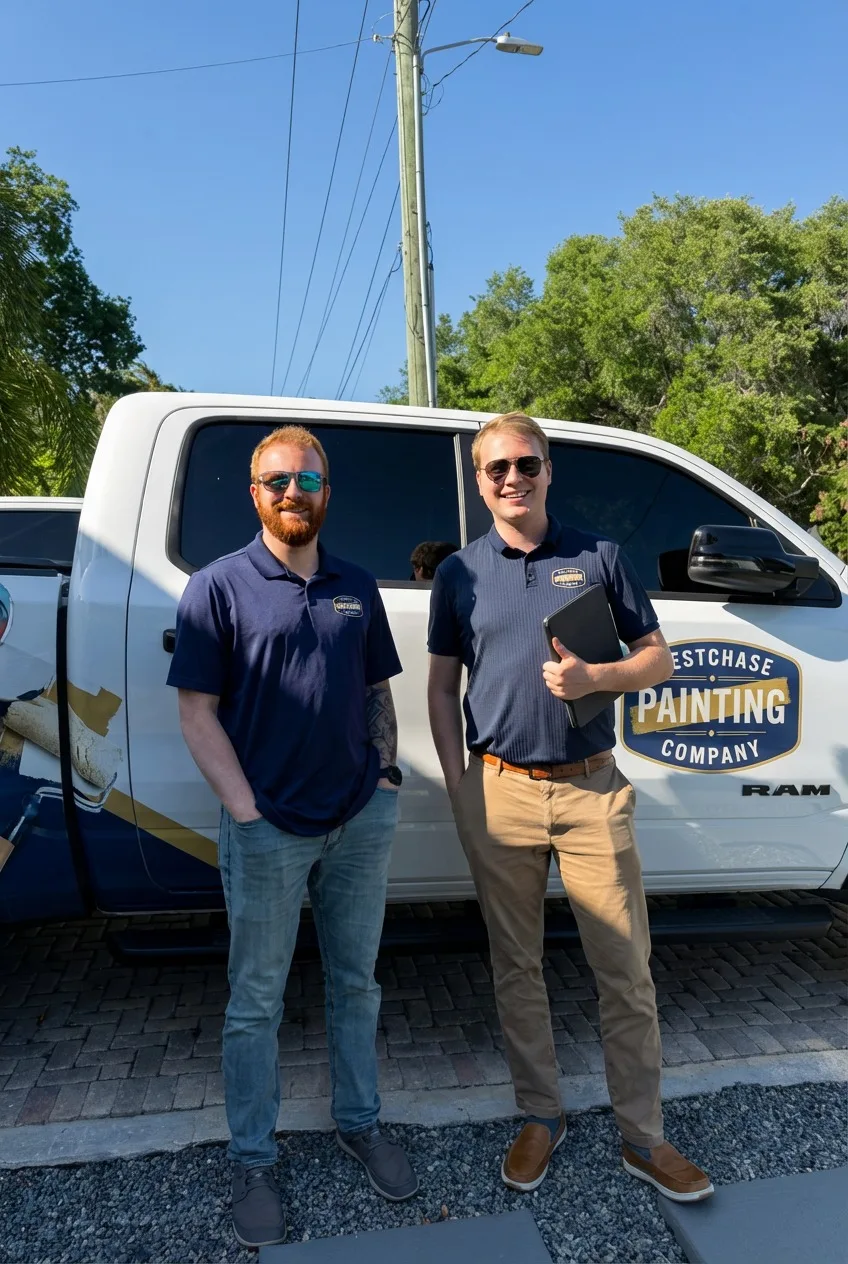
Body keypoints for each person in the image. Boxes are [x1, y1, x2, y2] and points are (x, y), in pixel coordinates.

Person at [427, 412, 713, 1203]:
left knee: (623, 970)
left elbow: (656, 660)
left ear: (549, 470)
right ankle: (539, 1117)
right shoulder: (460, 574)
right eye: (496, 469)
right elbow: (440, 687)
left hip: (591, 787)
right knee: (515, 966)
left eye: (526, 463)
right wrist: (459, 783)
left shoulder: (600, 557)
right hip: (499, 792)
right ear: (479, 482)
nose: (512, 478)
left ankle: (643, 1136)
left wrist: (597, 679)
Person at [167, 425, 418, 1250]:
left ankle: (360, 1122)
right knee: (255, 1004)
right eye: (276, 479)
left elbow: (377, 688)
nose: (292, 491)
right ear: (254, 494)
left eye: (307, 478)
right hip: (267, 829)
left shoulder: (354, 585)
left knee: (358, 984)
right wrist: (246, 811)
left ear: (325, 491)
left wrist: (384, 777)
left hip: (358, 820)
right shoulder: (217, 587)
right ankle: (252, 1160)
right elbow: (197, 713)